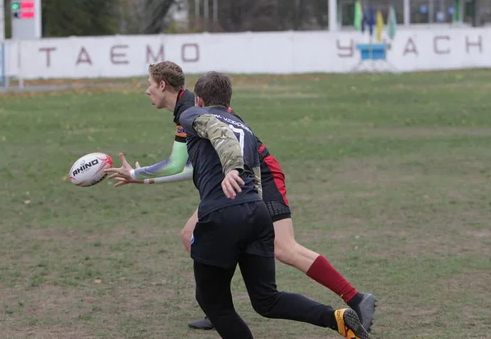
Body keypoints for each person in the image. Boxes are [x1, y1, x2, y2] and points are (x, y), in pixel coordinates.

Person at [105, 61, 377, 331]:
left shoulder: (191, 111)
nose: (146, 91)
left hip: (258, 175)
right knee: (190, 235)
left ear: (165, 86)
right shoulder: (193, 110)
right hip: (235, 179)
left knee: (284, 248)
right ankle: (217, 308)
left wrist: (139, 176)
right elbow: (195, 166)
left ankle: (356, 298)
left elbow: (181, 164)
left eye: (149, 85)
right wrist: (143, 178)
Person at [183, 71, 370, 338]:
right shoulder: (243, 126)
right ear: (229, 100)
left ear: (199, 100)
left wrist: (231, 169)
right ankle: (336, 318)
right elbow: (256, 171)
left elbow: (216, 129)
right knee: (267, 300)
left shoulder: (192, 115)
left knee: (213, 302)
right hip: (255, 212)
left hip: (222, 214)